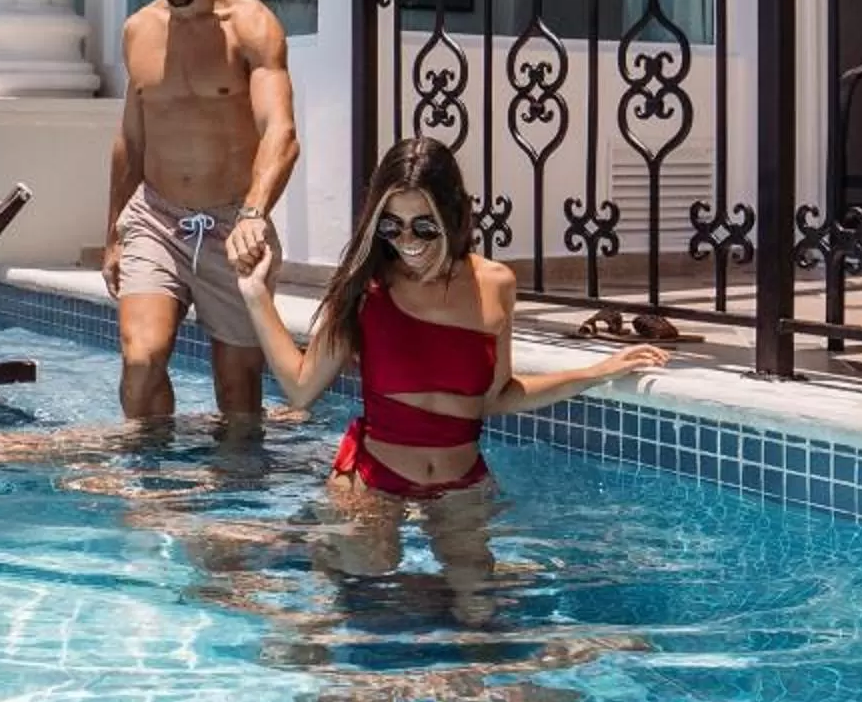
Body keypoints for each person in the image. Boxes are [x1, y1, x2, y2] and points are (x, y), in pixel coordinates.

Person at [235, 136, 663, 580]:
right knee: (369, 572)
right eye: (391, 226)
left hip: (461, 480)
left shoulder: (495, 285)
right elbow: (301, 388)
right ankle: (305, 550)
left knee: (476, 601)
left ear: (453, 214)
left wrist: (594, 373)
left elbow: (496, 397)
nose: (407, 241)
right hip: (374, 476)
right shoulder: (365, 288)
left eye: (424, 226)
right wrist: (256, 295)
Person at [105, 0, 299, 423]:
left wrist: (254, 214)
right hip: (157, 218)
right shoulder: (138, 30)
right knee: (140, 363)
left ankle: (229, 480)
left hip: (232, 225)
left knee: (238, 399)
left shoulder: (251, 25)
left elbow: (281, 133)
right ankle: (151, 472)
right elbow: (131, 141)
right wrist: (112, 233)